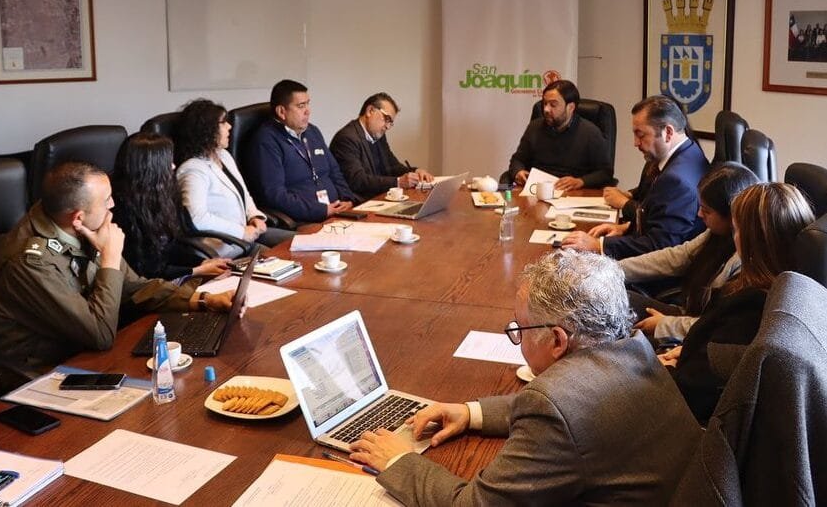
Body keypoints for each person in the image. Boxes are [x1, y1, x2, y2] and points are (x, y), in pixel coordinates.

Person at [349, 250, 701, 506]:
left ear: (557, 340)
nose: (517, 337)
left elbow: (474, 505)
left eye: (521, 328)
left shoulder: (555, 405)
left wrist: (398, 461)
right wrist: (470, 412)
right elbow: (572, 412)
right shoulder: (635, 352)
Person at [0, 161, 240, 372]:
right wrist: (110, 257)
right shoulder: (30, 263)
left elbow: (135, 287)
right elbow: (99, 334)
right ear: (78, 217)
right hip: (35, 374)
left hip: (79, 355)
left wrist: (203, 300)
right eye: (106, 200)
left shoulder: (75, 226)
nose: (113, 205)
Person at [659, 182, 815, 423]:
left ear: (755, 241)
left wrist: (660, 369)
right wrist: (687, 354)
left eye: (736, 229)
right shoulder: (789, 294)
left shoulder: (750, 307)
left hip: (684, 415)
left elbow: (695, 391)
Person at [622, 162, 760, 342]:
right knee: (615, 296)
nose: (700, 215)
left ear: (731, 216)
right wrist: (612, 270)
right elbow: (676, 257)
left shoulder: (743, 263)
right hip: (687, 318)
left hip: (694, 334)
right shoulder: (717, 234)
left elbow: (718, 327)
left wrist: (665, 324)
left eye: (706, 211)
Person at [562, 95, 709, 259]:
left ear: (668, 132)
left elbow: (659, 247)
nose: (635, 143)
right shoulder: (690, 152)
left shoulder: (676, 180)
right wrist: (625, 228)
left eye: (641, 135)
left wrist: (599, 245)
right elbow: (658, 219)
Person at [176, 99, 294, 257]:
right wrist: (241, 232)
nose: (229, 126)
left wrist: (254, 216)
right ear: (207, 130)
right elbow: (196, 218)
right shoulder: (193, 170)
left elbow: (244, 193)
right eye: (223, 123)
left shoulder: (223, 155)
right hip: (226, 246)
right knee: (285, 260)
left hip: (248, 233)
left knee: (304, 243)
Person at [112, 132, 231, 280]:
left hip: (173, 278)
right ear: (150, 169)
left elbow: (170, 248)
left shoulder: (162, 196)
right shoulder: (120, 212)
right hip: (149, 287)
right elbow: (145, 272)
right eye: (167, 162)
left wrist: (202, 262)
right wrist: (196, 271)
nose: (173, 166)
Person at [245, 79, 360, 222]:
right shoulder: (266, 141)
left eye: (307, 104)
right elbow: (275, 195)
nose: (308, 111)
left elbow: (334, 172)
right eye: (301, 106)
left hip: (338, 213)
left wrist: (347, 199)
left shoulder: (312, 131)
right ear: (281, 111)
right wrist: (322, 210)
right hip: (306, 221)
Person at [505, 80, 613, 191]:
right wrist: (518, 171)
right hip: (536, 191)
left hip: (573, 193)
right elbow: (518, 159)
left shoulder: (590, 133)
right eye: (545, 103)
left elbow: (605, 172)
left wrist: (580, 181)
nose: (546, 109)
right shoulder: (535, 127)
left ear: (570, 107)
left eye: (553, 105)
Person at [330, 92, 434, 200]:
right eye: (387, 119)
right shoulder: (346, 138)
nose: (388, 127)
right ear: (370, 111)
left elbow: (392, 166)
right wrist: (398, 182)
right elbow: (358, 181)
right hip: (357, 203)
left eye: (391, 123)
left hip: (377, 199)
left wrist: (415, 171)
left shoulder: (378, 135)